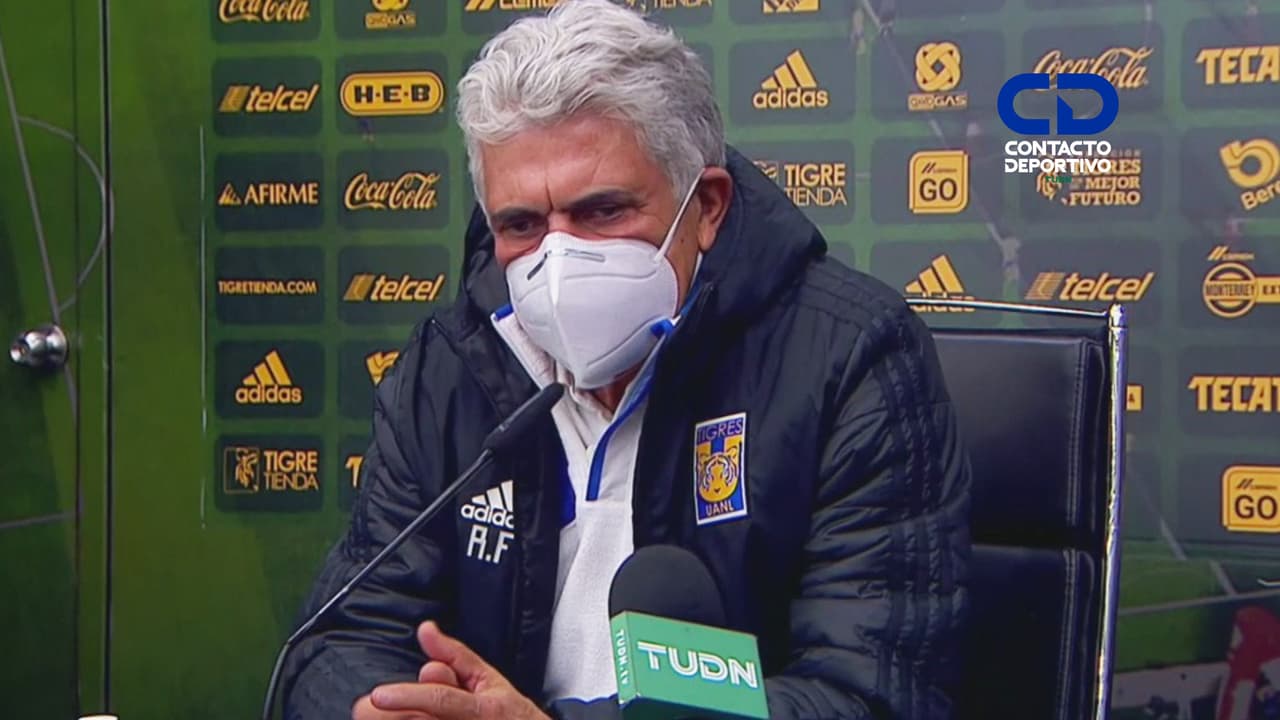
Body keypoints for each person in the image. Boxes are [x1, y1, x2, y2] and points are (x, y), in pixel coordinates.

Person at [281, 1, 971, 718]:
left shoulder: (851, 359)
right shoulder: (451, 368)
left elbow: (872, 694)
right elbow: (335, 642)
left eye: (602, 211)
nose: (558, 258)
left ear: (706, 207)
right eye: (522, 224)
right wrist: (379, 708)